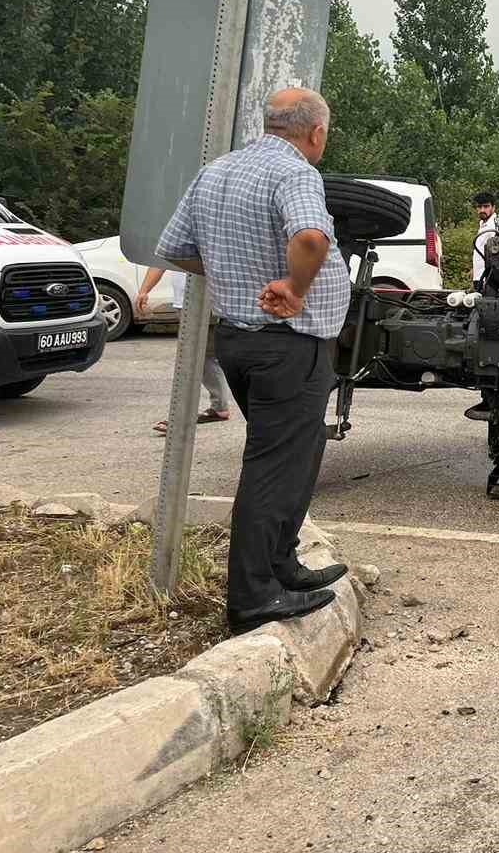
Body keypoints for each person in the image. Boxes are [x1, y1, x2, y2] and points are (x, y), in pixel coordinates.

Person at [156, 87, 350, 635]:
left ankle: (280, 564)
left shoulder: (216, 173)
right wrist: (293, 283)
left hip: (240, 340)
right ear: (315, 132)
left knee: (299, 451)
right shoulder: (295, 174)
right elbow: (311, 237)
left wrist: (230, 272)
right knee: (273, 467)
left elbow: (173, 247)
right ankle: (252, 596)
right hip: (288, 344)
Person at [137, 266, 233, 433]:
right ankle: (219, 406)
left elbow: (160, 261)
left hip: (201, 300)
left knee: (191, 359)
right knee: (205, 358)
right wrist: (144, 290)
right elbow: (161, 260)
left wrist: (145, 290)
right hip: (193, 300)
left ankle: (181, 418)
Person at [472, 192, 498, 291]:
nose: (482, 210)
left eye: (486, 206)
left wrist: (488, 280)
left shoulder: (494, 226)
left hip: (488, 278)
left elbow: (496, 256)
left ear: (493, 207)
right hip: (479, 275)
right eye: (479, 207)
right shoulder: (483, 224)